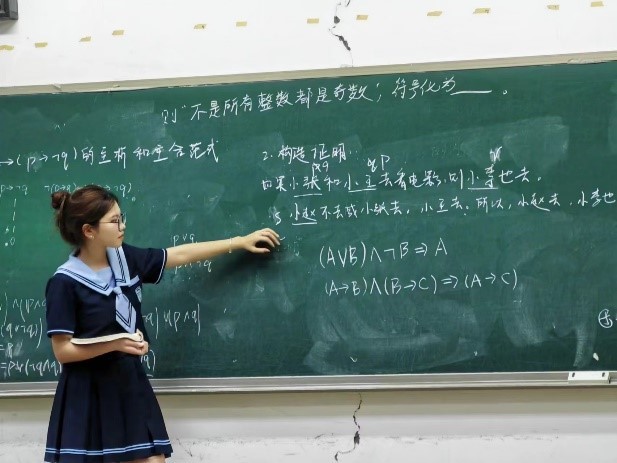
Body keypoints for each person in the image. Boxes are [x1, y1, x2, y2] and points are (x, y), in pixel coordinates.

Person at [44, 184, 280, 463]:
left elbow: (178, 255)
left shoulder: (126, 259)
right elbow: (63, 351)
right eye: (114, 221)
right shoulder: (64, 282)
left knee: (155, 460)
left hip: (128, 381)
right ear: (89, 230)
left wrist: (238, 242)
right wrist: (116, 343)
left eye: (122, 217)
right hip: (87, 391)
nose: (122, 226)